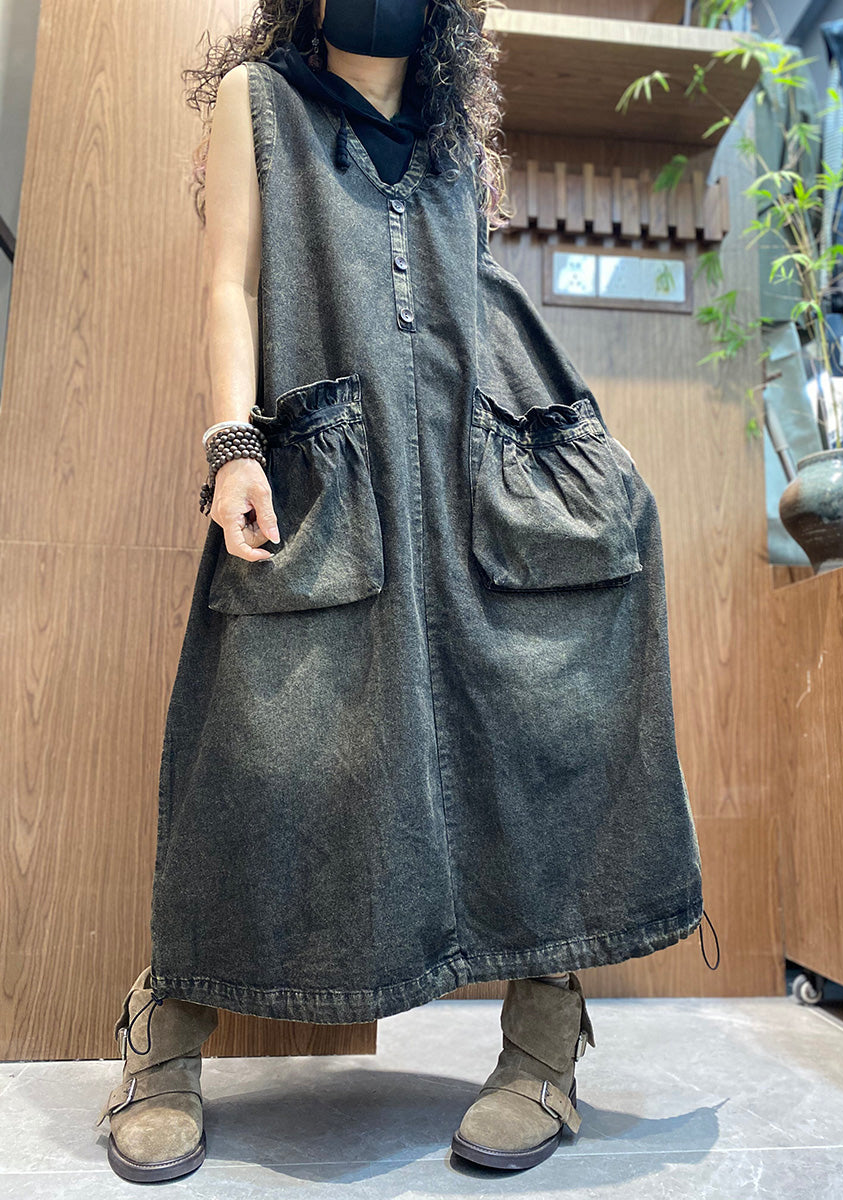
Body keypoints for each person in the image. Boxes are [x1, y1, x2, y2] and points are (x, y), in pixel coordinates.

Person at [95, 0, 715, 1183]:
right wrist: (233, 446)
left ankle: (543, 1042)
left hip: (477, 474)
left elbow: (474, 305)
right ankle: (161, 1038)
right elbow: (232, 285)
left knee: (528, 725)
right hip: (325, 474)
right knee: (257, 751)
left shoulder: (453, 137)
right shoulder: (259, 102)